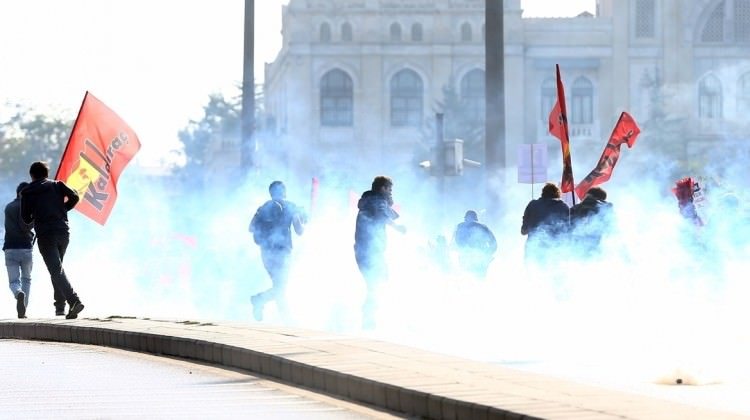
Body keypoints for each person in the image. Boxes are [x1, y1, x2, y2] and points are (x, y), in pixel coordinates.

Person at [20, 161, 84, 319]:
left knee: (56, 270)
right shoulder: (58, 185)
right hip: (63, 232)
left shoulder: (27, 191)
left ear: (32, 175)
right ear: (46, 174)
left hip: (46, 234)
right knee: (58, 269)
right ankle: (60, 307)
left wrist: (36, 215)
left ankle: (74, 301)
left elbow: (25, 218)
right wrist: (63, 209)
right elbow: (75, 196)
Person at [249, 181, 305, 322]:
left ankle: (286, 320)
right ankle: (259, 300)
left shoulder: (263, 208)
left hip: (266, 252)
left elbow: (251, 227)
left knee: (278, 286)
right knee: (280, 287)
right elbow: (299, 231)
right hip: (283, 252)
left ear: (271, 193)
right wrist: (303, 220)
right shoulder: (291, 207)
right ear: (284, 192)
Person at [353, 175, 405, 329]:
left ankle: (369, 319)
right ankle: (368, 321)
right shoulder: (378, 200)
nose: (390, 193)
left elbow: (384, 213)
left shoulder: (369, 200)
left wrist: (389, 204)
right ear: (382, 188)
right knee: (377, 283)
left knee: (377, 282)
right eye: (389, 189)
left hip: (363, 250)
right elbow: (383, 215)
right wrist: (398, 228)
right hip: (371, 251)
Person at [4, 182, 34, 318]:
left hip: (10, 248)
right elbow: (28, 226)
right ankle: (23, 312)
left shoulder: (9, 207)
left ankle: (18, 293)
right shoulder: (30, 208)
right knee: (26, 279)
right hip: (26, 248)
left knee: (13, 281)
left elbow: (10, 228)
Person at [521, 182, 570, 262]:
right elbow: (566, 232)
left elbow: (523, 231)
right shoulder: (563, 207)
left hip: (534, 248)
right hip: (555, 250)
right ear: (557, 194)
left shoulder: (533, 205)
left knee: (533, 272)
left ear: (543, 193)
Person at [569, 186, 613, 256]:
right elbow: (610, 228)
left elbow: (567, 226)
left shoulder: (575, 208)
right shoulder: (604, 208)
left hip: (576, 244)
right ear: (601, 198)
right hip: (595, 244)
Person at [453, 210, 497, 278]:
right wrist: (487, 253)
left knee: (467, 278)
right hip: (476, 258)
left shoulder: (460, 226)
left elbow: (456, 241)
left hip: (471, 258)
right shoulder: (482, 227)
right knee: (477, 279)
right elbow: (493, 243)